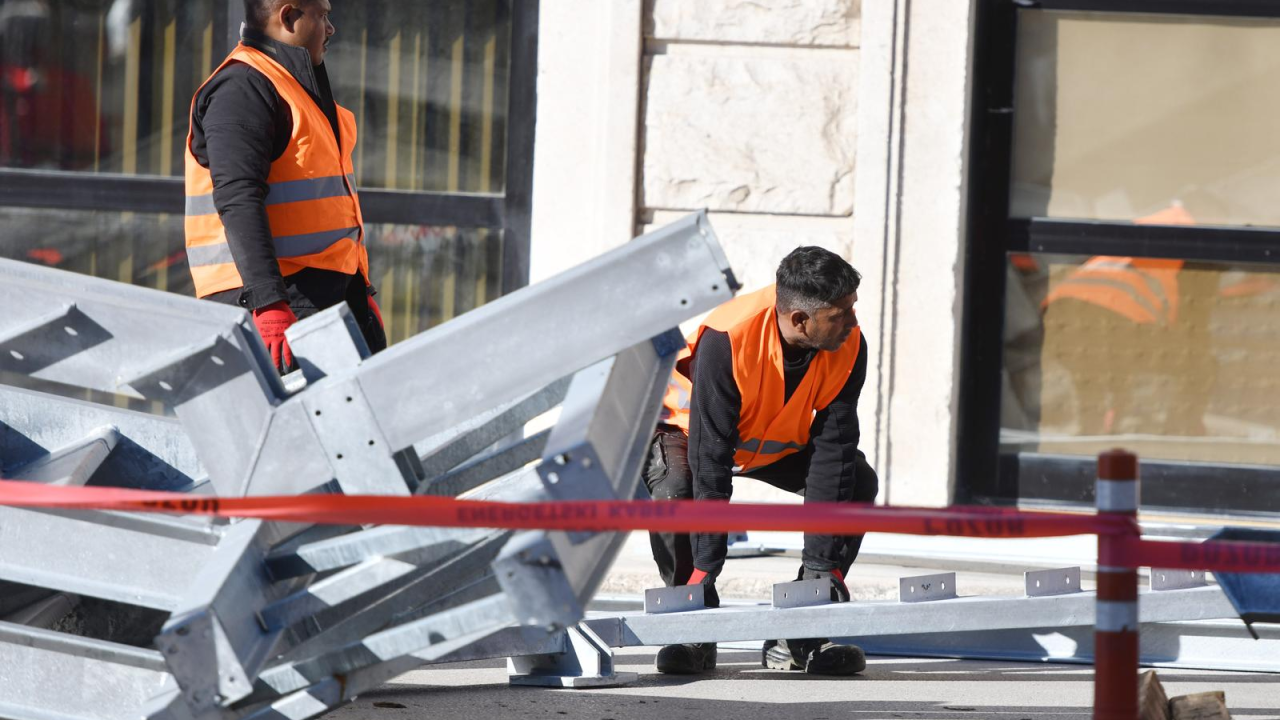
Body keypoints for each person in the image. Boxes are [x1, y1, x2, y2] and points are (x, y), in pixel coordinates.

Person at [645, 246, 879, 676]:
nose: (853, 322)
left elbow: (835, 450)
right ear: (799, 320)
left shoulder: (849, 345)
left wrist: (824, 566)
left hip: (770, 440)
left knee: (858, 482)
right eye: (841, 313)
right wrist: (704, 570)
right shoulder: (727, 337)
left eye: (853, 308)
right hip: (690, 433)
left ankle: (801, 633)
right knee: (677, 488)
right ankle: (693, 626)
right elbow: (710, 462)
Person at [185, 0, 385, 374]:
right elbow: (238, 198)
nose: (331, 28)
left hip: (317, 301)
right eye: (323, 14)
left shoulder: (294, 87)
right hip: (278, 306)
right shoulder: (242, 87)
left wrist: (359, 289)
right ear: (289, 17)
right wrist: (269, 303)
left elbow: (329, 212)